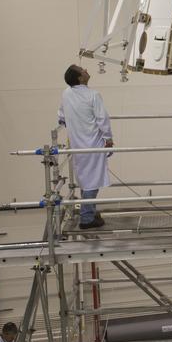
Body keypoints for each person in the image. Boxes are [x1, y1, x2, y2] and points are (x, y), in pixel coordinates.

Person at [57, 64, 113, 230]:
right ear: (80, 78)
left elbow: (61, 115)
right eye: (83, 70)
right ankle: (87, 218)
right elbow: (102, 119)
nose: (86, 70)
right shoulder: (93, 95)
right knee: (92, 181)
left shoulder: (66, 94)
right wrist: (108, 139)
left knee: (85, 179)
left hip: (77, 143)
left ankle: (89, 210)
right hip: (92, 144)